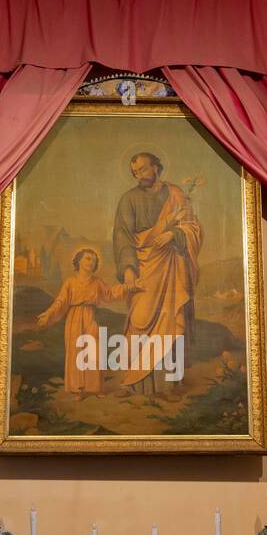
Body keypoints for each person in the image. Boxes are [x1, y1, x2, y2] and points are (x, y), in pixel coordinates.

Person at [111, 152, 202, 395]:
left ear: (156, 167)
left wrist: (174, 234)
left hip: (172, 265)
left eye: (142, 169)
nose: (138, 174)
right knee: (140, 321)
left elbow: (193, 226)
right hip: (144, 267)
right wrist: (129, 269)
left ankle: (167, 385)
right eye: (135, 172)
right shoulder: (128, 199)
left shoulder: (176, 194)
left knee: (171, 320)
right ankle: (138, 384)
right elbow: (122, 236)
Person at [35, 248, 132, 396]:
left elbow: (111, 294)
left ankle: (95, 388)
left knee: (93, 350)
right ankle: (78, 388)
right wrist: (48, 314)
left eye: (93, 260)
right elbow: (61, 302)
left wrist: (129, 286)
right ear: (79, 261)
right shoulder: (70, 282)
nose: (91, 262)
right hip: (74, 318)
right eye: (87, 258)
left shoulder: (97, 282)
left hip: (91, 317)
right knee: (76, 351)